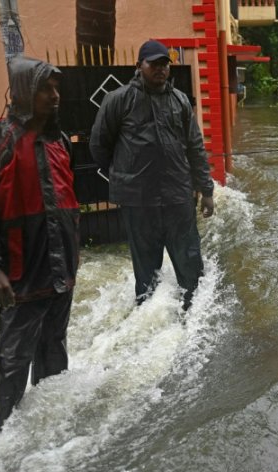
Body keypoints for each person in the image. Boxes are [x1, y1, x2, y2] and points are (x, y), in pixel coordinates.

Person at [0, 57, 79, 436]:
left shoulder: (59, 140)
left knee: (54, 343)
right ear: (21, 94)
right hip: (20, 267)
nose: (54, 97)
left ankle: (49, 425)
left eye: (56, 89)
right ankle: (3, 430)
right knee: (15, 352)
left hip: (61, 264)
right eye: (44, 90)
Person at [90, 39, 215, 310]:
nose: (160, 69)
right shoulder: (119, 100)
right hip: (139, 203)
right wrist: (125, 175)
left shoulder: (180, 101)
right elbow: (99, 146)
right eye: (154, 64)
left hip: (178, 198)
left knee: (191, 265)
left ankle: (192, 320)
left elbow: (195, 147)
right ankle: (149, 324)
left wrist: (207, 191)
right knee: (146, 274)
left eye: (164, 64)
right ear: (139, 66)